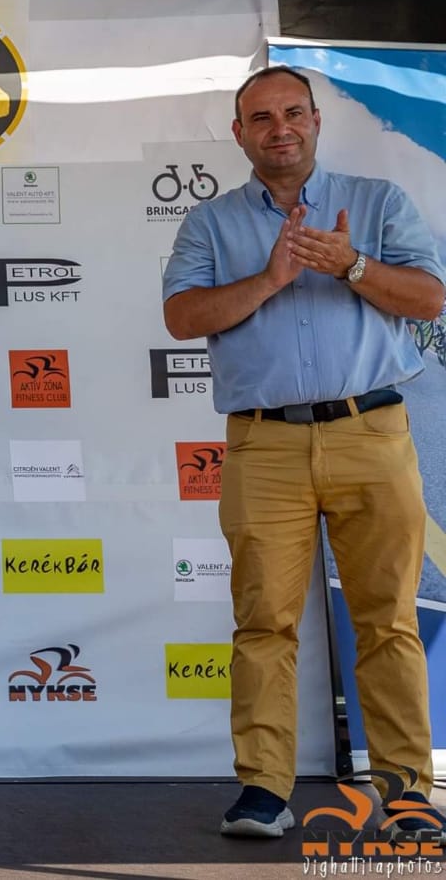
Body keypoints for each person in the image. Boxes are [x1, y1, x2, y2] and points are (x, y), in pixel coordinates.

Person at [163, 65, 446, 839]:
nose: (279, 128)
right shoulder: (210, 224)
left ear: (317, 121)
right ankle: (263, 790)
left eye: (293, 112)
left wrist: (351, 265)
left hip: (371, 432)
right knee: (264, 621)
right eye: (261, 118)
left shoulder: (378, 202)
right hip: (263, 443)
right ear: (239, 134)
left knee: (386, 622)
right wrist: (272, 277)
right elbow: (183, 317)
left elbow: (430, 299)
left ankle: (406, 794)